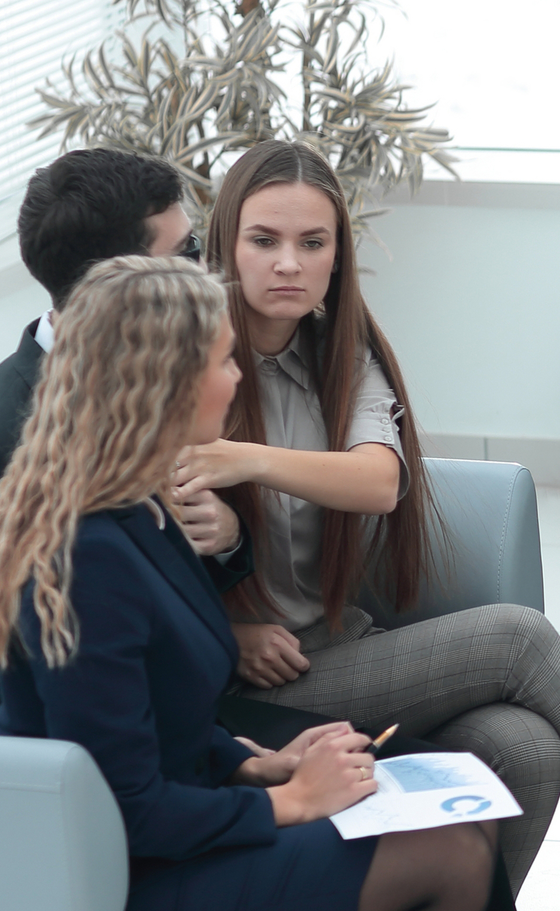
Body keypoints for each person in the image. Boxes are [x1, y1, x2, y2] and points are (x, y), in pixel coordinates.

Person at [177, 139, 560, 910]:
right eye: (264, 240)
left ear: (338, 255)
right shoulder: (188, 366)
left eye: (313, 243)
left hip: (337, 646)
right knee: (521, 637)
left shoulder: (342, 354)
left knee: (526, 746)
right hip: (253, 683)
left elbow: (378, 481)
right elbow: (138, 554)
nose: (290, 263)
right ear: (225, 243)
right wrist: (231, 630)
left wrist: (243, 458)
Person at [0, 256, 498, 911]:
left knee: (464, 814)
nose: (238, 377)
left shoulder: (141, 509)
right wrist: (293, 800)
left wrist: (252, 762)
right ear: (169, 384)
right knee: (448, 849)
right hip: (128, 870)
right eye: (224, 361)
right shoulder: (87, 557)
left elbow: (151, 715)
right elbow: (122, 806)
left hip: (183, 820)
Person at [5, 149, 245, 574]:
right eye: (188, 252)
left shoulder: (199, 365)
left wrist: (229, 538)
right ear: (120, 280)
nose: (206, 269)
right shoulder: (8, 423)